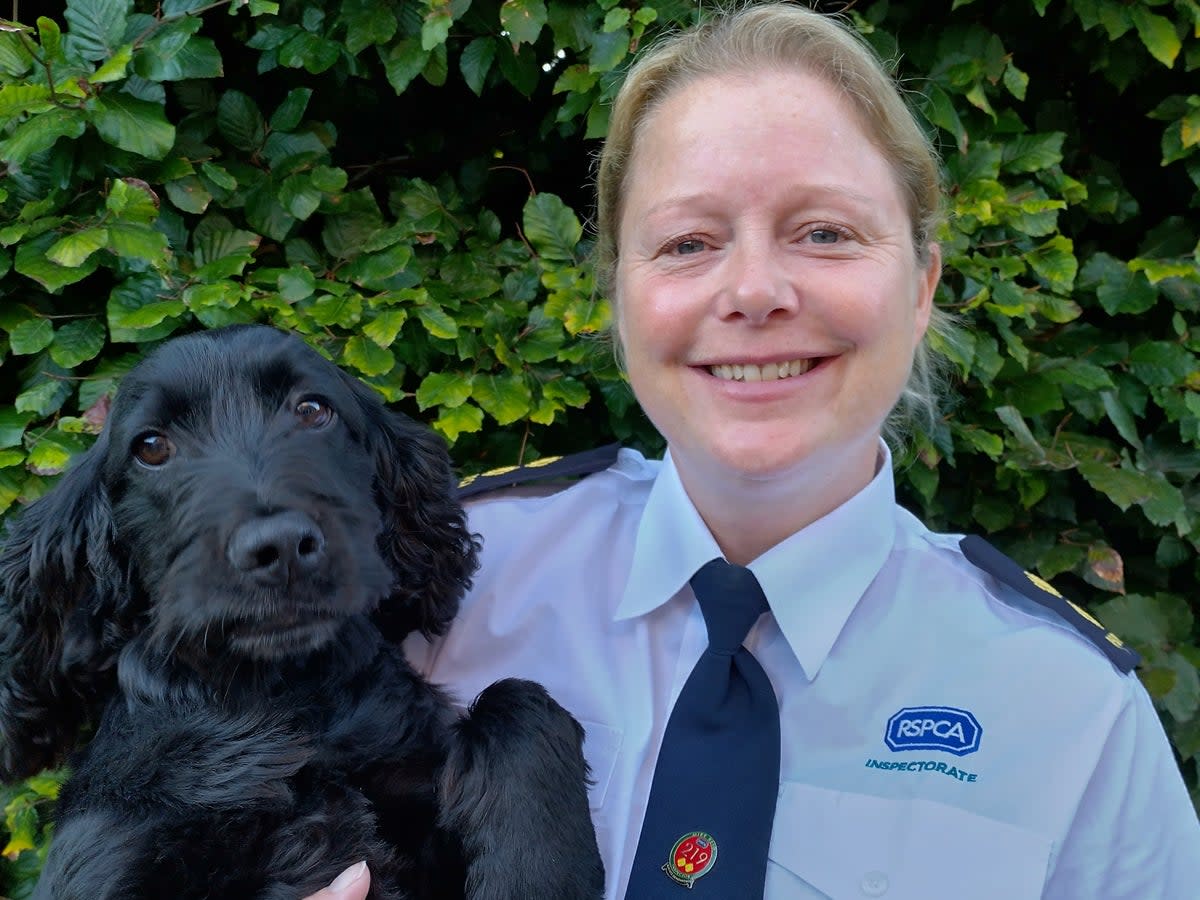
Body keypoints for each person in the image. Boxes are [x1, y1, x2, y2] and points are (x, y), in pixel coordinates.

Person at [306, 3, 1200, 898]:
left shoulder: (1072, 715)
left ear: (921, 285)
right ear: (619, 294)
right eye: (688, 242)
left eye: (825, 233)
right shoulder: (443, 588)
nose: (756, 291)